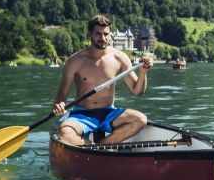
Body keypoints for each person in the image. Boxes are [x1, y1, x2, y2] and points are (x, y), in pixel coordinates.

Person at [53, 14, 154, 146]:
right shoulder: (75, 61)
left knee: (140, 119)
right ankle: (92, 148)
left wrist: (143, 72)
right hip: (82, 115)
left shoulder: (120, 57)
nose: (102, 38)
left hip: (109, 113)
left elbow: (137, 91)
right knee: (65, 134)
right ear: (89, 34)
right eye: (98, 34)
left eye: (106, 34)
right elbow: (62, 94)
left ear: (110, 34)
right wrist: (59, 105)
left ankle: (101, 147)